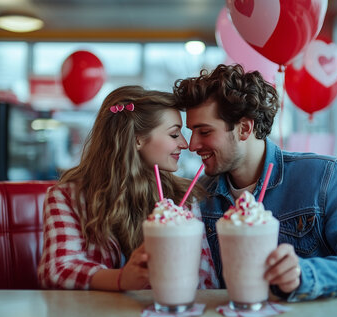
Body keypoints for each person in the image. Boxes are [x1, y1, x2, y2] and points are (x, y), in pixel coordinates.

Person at [173, 64, 337, 302]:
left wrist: (304, 274)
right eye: (191, 132)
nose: (192, 144)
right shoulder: (200, 198)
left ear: (245, 128)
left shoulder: (326, 176)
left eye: (204, 132)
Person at [38, 85, 218, 291]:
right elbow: (56, 270)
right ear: (137, 139)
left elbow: (206, 278)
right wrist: (122, 279)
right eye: (175, 134)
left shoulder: (182, 198)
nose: (185, 144)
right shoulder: (66, 197)